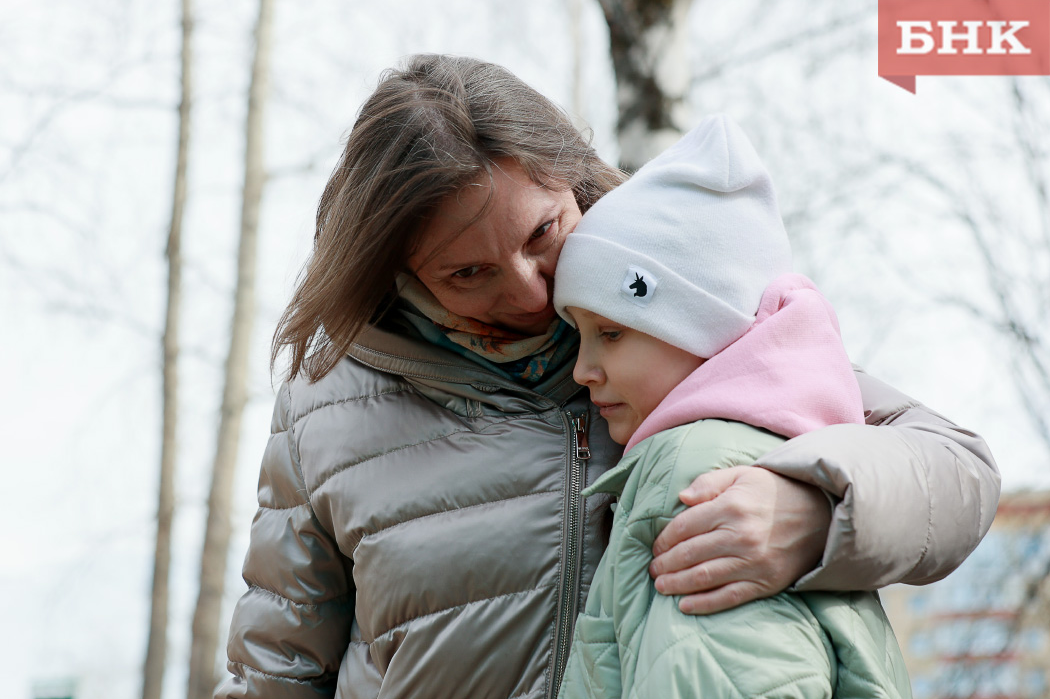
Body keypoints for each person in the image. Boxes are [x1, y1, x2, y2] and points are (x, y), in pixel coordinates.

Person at [216, 54, 998, 699]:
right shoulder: (328, 410)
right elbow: (274, 673)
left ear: (573, 178)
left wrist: (817, 512)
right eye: (468, 274)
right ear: (398, 270)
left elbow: (958, 471)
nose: (528, 290)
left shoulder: (680, 329)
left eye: (543, 233)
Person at [553, 114, 911, 698]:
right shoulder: (781, 451)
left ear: (704, 330)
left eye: (611, 334)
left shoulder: (699, 471)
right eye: (580, 334)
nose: (582, 369)